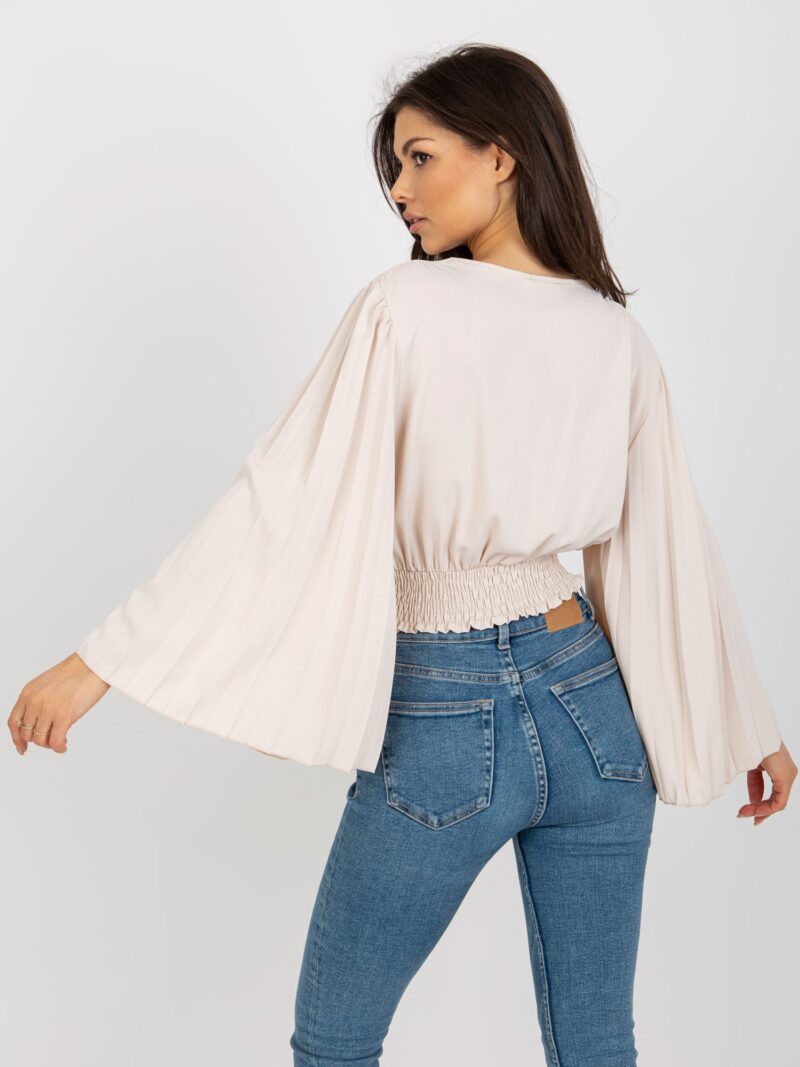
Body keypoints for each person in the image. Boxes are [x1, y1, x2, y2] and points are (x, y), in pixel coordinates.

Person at [8, 43, 795, 1067]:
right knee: (597, 1044)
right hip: (592, 710)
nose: (398, 190)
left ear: (501, 156)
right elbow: (668, 543)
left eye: (420, 157)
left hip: (446, 711)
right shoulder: (614, 335)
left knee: (335, 1043)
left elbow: (279, 498)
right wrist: (747, 722)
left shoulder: (403, 308)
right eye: (394, 166)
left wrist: (96, 663)